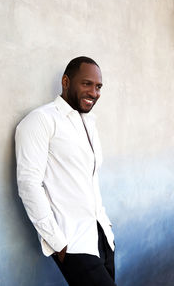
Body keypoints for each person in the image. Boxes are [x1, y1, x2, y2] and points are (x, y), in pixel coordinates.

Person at [15, 56, 116, 286]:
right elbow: (29, 184)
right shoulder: (41, 120)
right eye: (86, 83)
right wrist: (57, 242)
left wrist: (106, 227)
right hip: (72, 241)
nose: (94, 92)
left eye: (98, 86)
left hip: (101, 235)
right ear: (66, 82)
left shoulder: (89, 123)